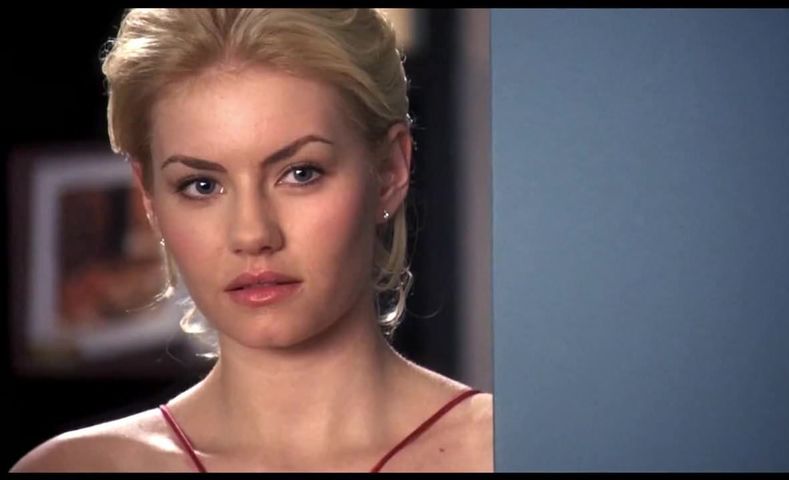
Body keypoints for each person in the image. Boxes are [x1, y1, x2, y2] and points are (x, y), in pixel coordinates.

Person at [11, 8, 493, 472]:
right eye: (202, 185)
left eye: (300, 173)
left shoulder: (505, 451)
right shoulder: (74, 468)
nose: (252, 234)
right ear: (151, 199)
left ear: (390, 171)